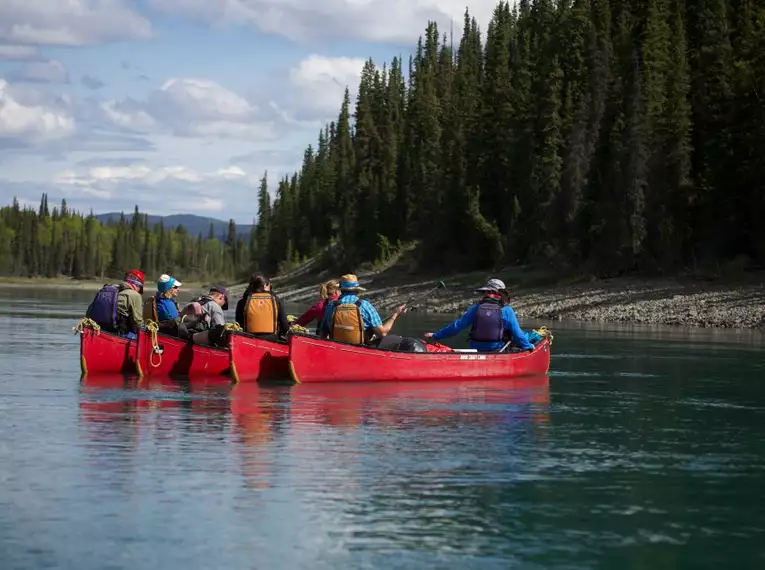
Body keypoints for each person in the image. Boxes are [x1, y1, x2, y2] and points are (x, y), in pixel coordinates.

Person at [423, 278, 534, 352]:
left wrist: (435, 335)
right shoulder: (507, 310)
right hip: (498, 350)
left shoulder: (476, 308)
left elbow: (456, 327)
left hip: (476, 350)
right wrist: (529, 347)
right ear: (501, 295)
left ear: (487, 293)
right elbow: (518, 335)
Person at [319, 273, 405, 345]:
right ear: (357, 290)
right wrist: (395, 315)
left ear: (341, 290)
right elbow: (382, 333)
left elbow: (323, 333)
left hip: (337, 348)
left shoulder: (331, 306)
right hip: (360, 348)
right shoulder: (365, 305)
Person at [85, 269, 145, 339]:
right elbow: (138, 322)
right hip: (119, 333)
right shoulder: (135, 295)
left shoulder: (108, 290)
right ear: (138, 285)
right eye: (140, 289)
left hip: (98, 330)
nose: (138, 291)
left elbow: (88, 313)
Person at [235, 273, 289, 339]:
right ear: (265, 285)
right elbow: (285, 326)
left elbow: (239, 325)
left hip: (248, 339)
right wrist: (282, 334)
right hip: (271, 339)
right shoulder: (276, 300)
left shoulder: (242, 302)